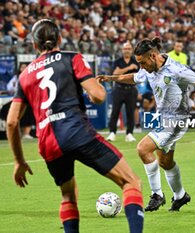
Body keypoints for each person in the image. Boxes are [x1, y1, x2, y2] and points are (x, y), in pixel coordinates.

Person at [6, 19, 144, 233]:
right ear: (60, 38)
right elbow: (98, 96)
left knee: (68, 196)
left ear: (34, 45)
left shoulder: (24, 76)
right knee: (132, 182)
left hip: (49, 143)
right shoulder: (72, 58)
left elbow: (12, 121)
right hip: (77, 132)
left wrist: (19, 161)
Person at [97, 37, 195, 212]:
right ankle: (180, 196)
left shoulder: (176, 70)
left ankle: (157, 195)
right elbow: (134, 77)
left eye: (143, 62)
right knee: (165, 162)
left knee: (143, 149)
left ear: (153, 55)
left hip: (177, 120)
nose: (142, 67)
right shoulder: (148, 68)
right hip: (163, 118)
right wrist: (111, 78)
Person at [107, 41, 139, 142]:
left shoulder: (136, 61)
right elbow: (115, 74)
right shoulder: (118, 61)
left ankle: (129, 133)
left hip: (131, 90)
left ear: (132, 50)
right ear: (122, 50)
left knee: (130, 112)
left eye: (129, 49)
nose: (127, 51)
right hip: (119, 89)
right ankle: (112, 132)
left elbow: (136, 76)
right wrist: (129, 68)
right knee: (115, 111)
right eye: (125, 49)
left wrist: (121, 72)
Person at [7, 63, 35, 139]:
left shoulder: (31, 75)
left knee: (29, 115)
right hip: (17, 100)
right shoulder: (16, 78)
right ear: (19, 68)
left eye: (25, 67)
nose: (23, 68)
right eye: (22, 67)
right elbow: (9, 88)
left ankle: (26, 133)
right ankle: (17, 134)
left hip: (28, 100)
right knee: (15, 117)